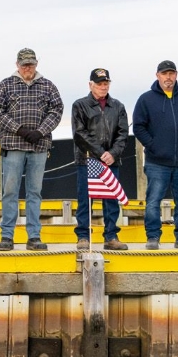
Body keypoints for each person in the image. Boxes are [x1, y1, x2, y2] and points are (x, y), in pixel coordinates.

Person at [0, 48, 62, 251]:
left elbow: (57, 111)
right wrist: (18, 129)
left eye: (30, 64)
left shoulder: (48, 86)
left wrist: (40, 131)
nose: (27, 68)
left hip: (39, 146)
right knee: (10, 191)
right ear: (17, 65)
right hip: (13, 146)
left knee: (34, 192)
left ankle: (34, 236)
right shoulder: (6, 85)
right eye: (24, 64)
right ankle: (6, 236)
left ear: (36, 64)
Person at [132, 60, 178, 249]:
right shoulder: (145, 99)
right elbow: (139, 126)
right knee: (153, 201)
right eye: (164, 74)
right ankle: (153, 237)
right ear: (157, 75)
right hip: (157, 161)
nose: (168, 77)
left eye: (171, 73)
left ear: (176, 75)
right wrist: (152, 145)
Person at [71, 68, 129, 251]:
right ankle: (83, 236)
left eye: (106, 83)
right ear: (90, 84)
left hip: (112, 160)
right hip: (87, 160)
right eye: (99, 84)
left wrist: (113, 153)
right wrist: (99, 152)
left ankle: (111, 235)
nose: (103, 87)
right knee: (85, 199)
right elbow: (79, 133)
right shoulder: (79, 105)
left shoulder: (118, 106)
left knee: (111, 198)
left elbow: (123, 133)